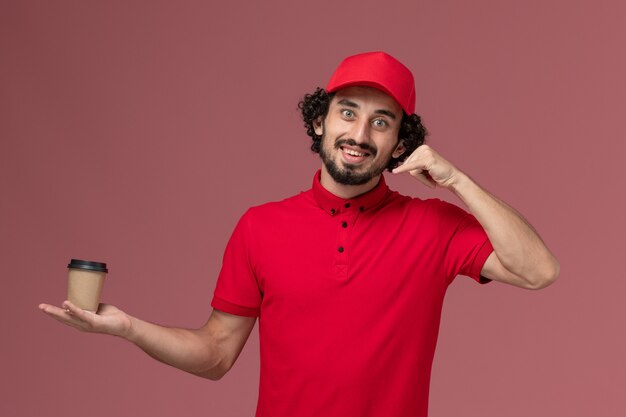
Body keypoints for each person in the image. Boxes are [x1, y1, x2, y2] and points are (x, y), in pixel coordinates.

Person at [40, 51, 559, 417]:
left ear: (402, 141)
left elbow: (539, 271)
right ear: (319, 122)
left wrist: (457, 181)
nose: (359, 135)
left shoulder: (434, 226)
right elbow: (217, 354)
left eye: (382, 122)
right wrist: (128, 327)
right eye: (347, 113)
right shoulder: (259, 227)